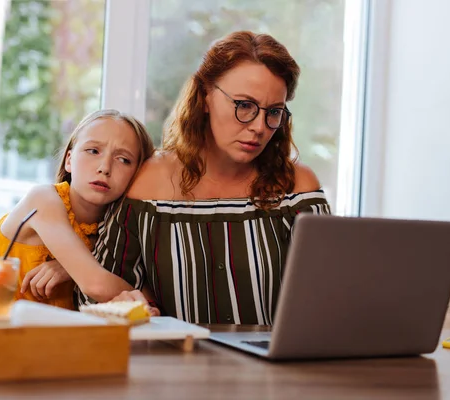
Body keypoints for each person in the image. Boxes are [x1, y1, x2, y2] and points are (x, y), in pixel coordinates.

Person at [87, 31, 331, 325]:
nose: (259, 127)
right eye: (244, 105)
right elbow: (96, 297)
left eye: (274, 112)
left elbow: (327, 301)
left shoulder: (298, 188)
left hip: (275, 369)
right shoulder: (150, 182)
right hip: (176, 365)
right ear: (205, 97)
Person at [0, 109, 156, 316]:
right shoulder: (43, 200)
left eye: (123, 159)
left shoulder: (117, 228)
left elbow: (145, 290)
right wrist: (141, 305)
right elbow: (96, 284)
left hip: (45, 337)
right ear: (69, 160)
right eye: (93, 151)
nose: (105, 167)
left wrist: (70, 268)